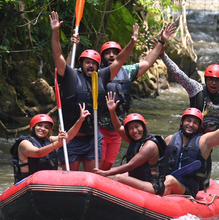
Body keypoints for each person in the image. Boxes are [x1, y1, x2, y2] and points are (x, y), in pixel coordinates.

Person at [50, 11, 137, 172]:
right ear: (81, 64)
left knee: (93, 176)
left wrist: (132, 42)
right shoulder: (70, 76)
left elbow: (119, 60)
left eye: (94, 63)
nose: (91, 66)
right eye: (87, 63)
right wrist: (55, 32)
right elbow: (57, 55)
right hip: (71, 138)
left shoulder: (101, 77)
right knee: (72, 176)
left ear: (98, 66)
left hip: (92, 138)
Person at [81, 23, 176, 171]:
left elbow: (147, 62)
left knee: (107, 167)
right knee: (97, 166)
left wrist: (162, 42)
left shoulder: (126, 71)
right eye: (108, 53)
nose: (112, 55)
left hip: (118, 130)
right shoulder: (95, 74)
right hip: (98, 128)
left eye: (115, 52)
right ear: (102, 57)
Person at [93, 92, 166, 195]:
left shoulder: (150, 145)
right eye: (131, 128)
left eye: (137, 126)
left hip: (152, 185)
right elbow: (118, 128)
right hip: (139, 180)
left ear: (144, 127)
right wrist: (112, 111)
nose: (135, 131)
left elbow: (130, 166)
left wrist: (105, 173)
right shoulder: (135, 141)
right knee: (112, 177)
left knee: (117, 178)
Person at [10, 107, 89, 183]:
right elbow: (38, 153)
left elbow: (68, 137)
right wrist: (57, 143)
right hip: (27, 183)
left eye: (46, 127)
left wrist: (80, 120)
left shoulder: (49, 140)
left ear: (49, 131)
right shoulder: (24, 143)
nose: (43, 129)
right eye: (39, 125)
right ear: (32, 128)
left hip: (46, 181)